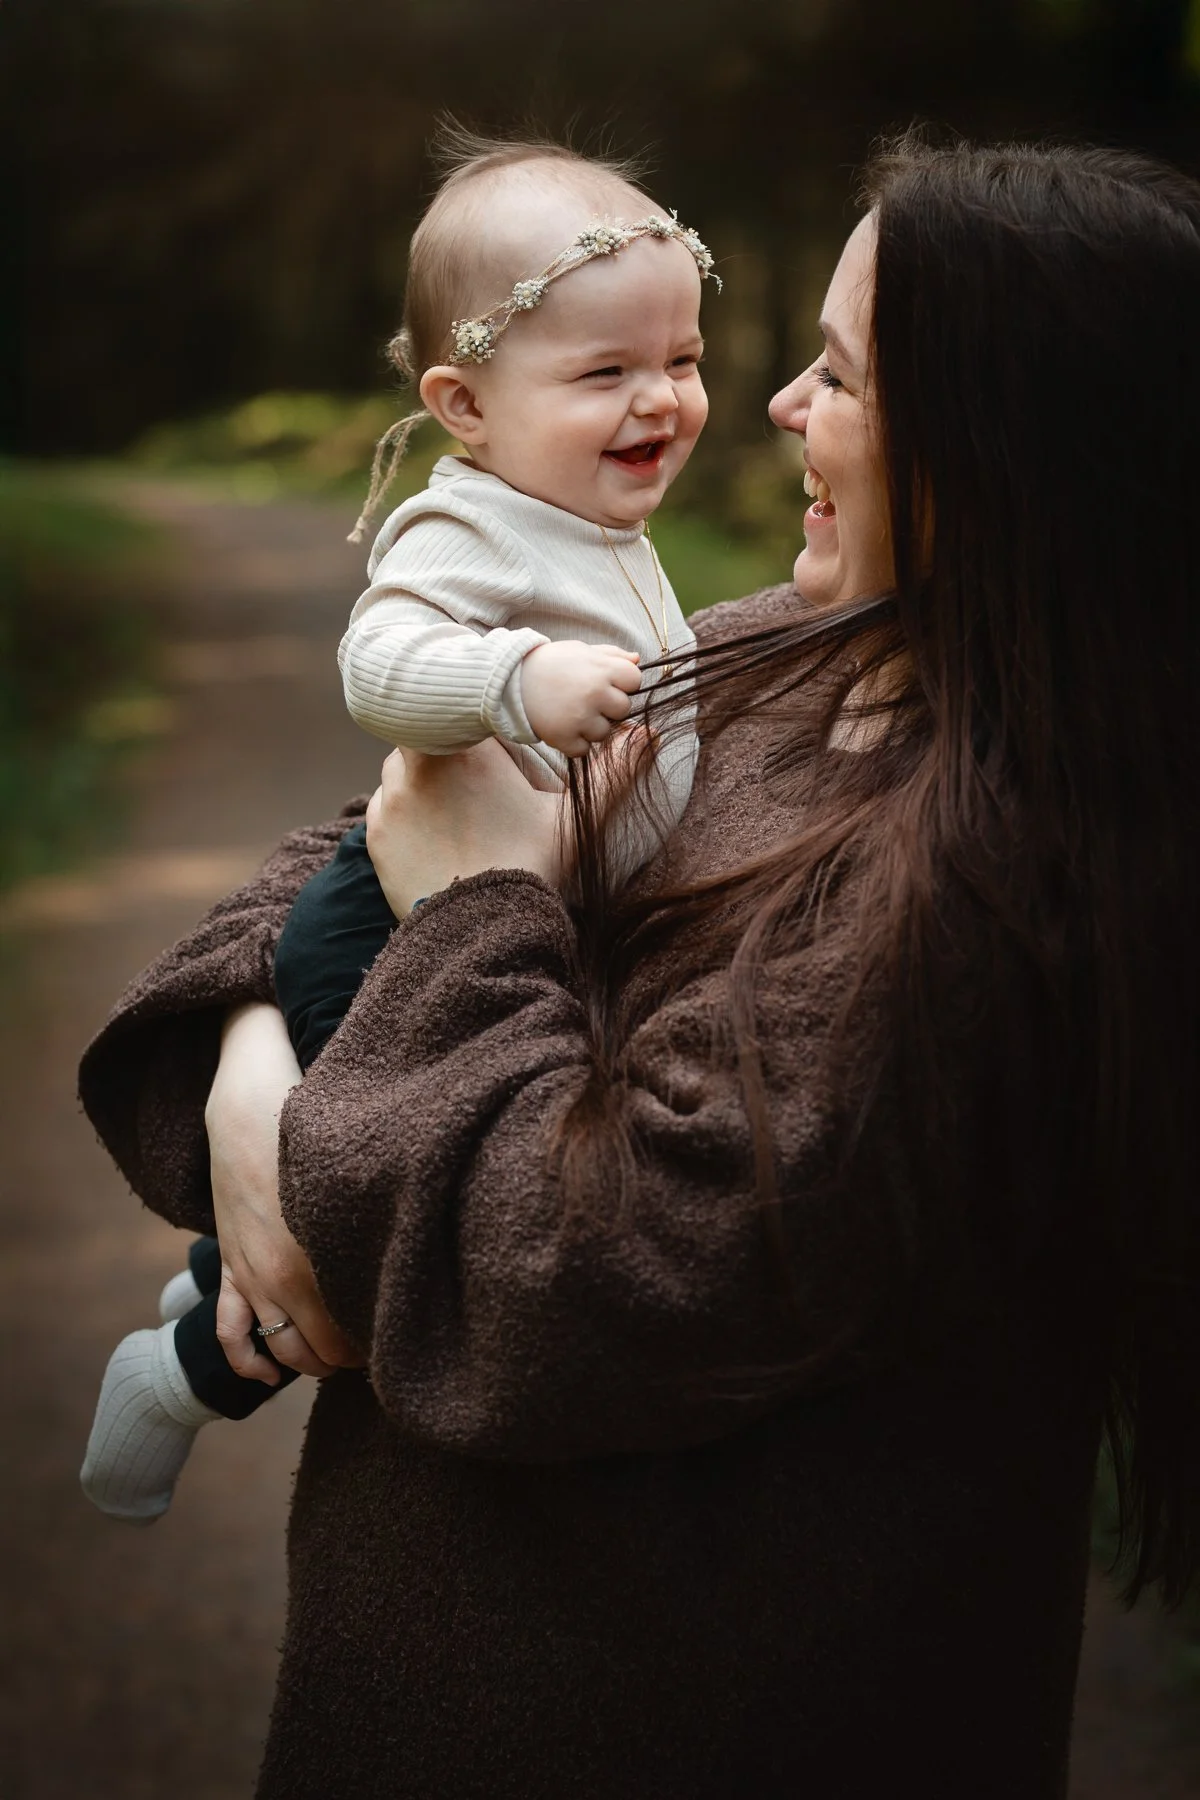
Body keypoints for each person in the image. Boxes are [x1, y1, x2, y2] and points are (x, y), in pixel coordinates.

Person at [77, 134, 1199, 1798]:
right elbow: (365, 843)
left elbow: (562, 1282)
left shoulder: (996, 904)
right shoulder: (779, 658)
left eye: (837, 371)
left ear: (1008, 448)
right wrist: (253, 1063)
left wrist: (457, 932)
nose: (772, 411)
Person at [79, 134, 717, 1522]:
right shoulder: (469, 526)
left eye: (682, 359)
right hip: (382, 930)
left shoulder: (599, 521)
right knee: (364, 1233)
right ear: (463, 405)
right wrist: (512, 683)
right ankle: (184, 1370)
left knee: (362, 1187)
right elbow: (374, 668)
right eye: (606, 373)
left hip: (506, 917)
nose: (661, 398)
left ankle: (206, 1290)